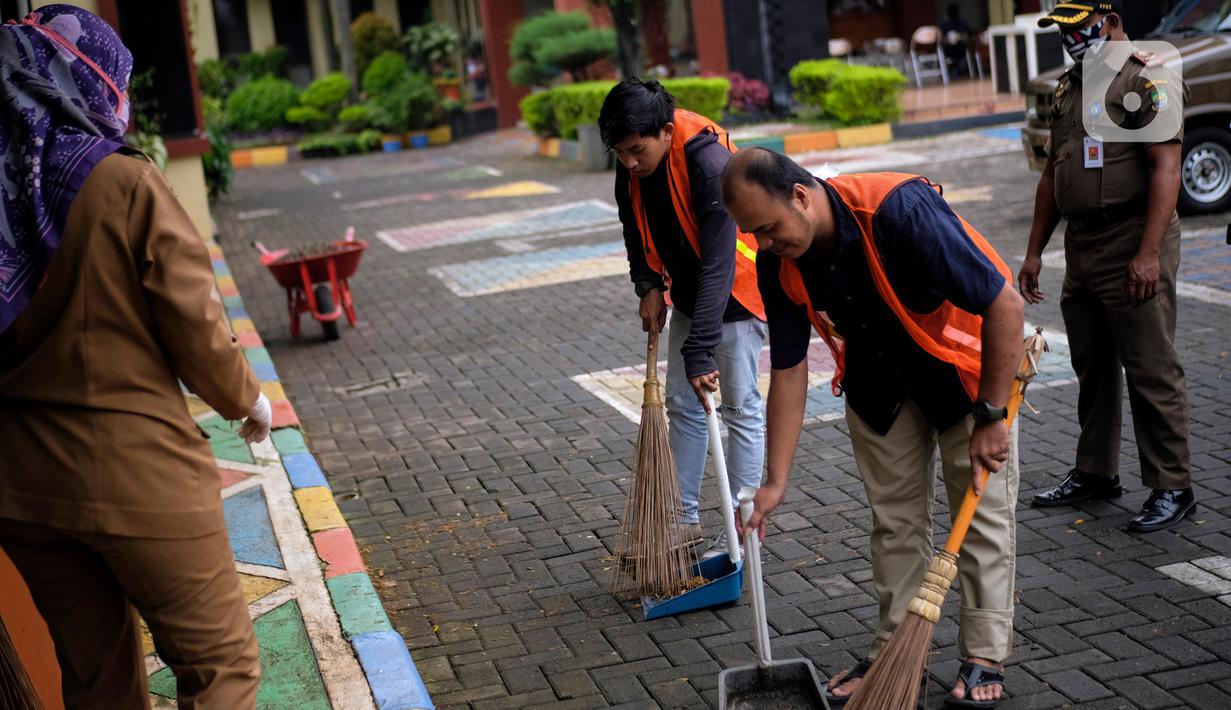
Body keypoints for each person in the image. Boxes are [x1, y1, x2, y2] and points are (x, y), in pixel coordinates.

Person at [0, 6, 268, 707]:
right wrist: (247, 400)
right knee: (220, 670)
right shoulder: (118, 180)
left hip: (20, 485)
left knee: (97, 682)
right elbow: (195, 321)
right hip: (138, 472)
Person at [722, 149, 1025, 708]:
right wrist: (775, 480)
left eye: (766, 229)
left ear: (800, 195)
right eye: (752, 234)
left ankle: (983, 654)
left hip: (965, 381)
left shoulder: (897, 211)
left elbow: (1004, 303)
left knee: (979, 519)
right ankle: (893, 652)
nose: (763, 244)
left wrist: (992, 415)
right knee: (894, 524)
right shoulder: (778, 260)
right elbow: (787, 369)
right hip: (879, 385)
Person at [1021, 1, 1194, 532]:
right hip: (1084, 244)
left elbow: (1166, 167)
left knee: (1149, 366)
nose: (1071, 39)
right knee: (1091, 366)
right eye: (1062, 31)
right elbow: (1054, 172)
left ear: (1111, 21)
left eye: (1079, 27)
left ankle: (1173, 486)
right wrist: (1033, 252)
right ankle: (1096, 472)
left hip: (1134, 237)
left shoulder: (1147, 75)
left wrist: (1148, 252)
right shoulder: (1070, 87)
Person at [600, 78, 767, 550]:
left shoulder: (709, 164)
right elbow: (633, 225)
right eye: (620, 153)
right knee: (682, 405)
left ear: (668, 132)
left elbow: (720, 263)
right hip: (689, 291)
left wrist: (700, 349)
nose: (630, 163)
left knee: (738, 408)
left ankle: (743, 526)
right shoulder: (630, 164)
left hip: (736, 291)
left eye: (637, 150)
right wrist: (648, 285)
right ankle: (681, 521)